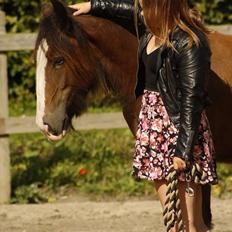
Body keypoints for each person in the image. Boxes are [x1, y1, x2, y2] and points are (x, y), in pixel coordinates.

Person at [69, 1, 218, 231]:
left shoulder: (189, 42)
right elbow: (127, 11)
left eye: (143, 4)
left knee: (189, 224)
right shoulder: (154, 30)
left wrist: (183, 150)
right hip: (154, 128)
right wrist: (93, 6)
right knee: (173, 220)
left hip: (177, 130)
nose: (138, 9)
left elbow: (193, 99)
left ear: (160, 7)